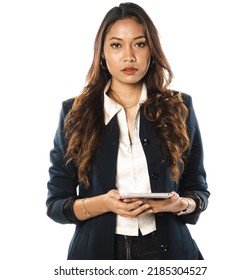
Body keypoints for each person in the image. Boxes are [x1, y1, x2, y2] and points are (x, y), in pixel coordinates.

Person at [46, 2, 210, 260]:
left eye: (140, 44)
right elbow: (56, 205)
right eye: (116, 45)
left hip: (171, 253)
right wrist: (103, 204)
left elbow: (198, 189)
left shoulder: (179, 107)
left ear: (151, 50)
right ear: (102, 53)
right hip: (97, 256)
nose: (129, 56)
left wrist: (180, 204)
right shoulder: (74, 113)